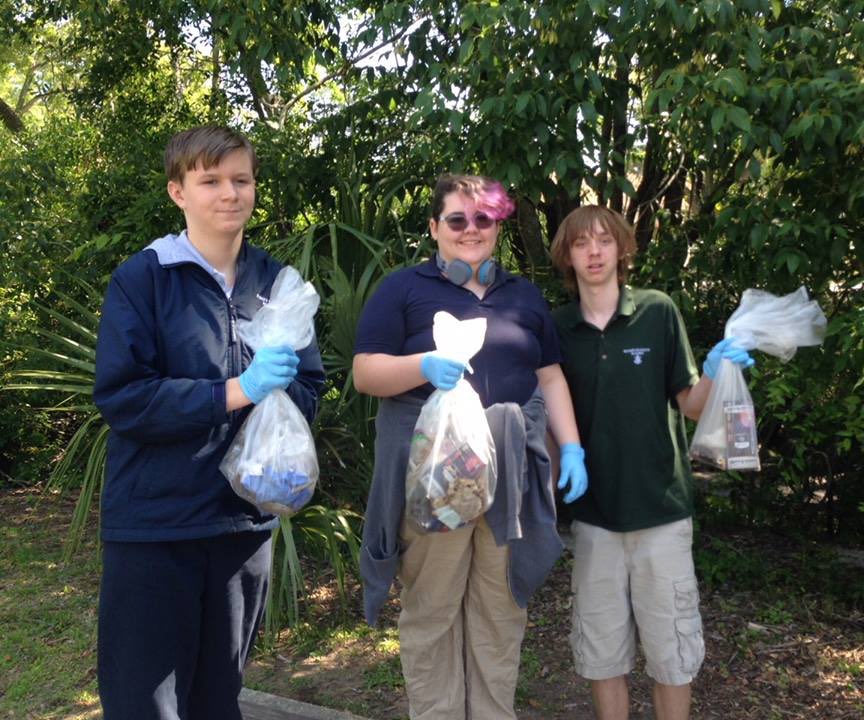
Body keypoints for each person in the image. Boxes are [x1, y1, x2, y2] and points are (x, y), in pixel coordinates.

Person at [92, 125, 325, 720]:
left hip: (242, 524)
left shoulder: (277, 285)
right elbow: (124, 397)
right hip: (155, 524)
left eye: (241, 180)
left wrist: (281, 402)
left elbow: (311, 387)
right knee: (146, 701)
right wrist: (236, 392)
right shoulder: (144, 279)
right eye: (211, 180)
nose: (230, 193)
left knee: (218, 697)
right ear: (178, 192)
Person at [353, 173, 588, 720]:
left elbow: (549, 376)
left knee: (501, 610)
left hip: (509, 473)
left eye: (483, 218)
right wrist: (422, 366)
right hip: (436, 475)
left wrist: (570, 447)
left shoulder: (523, 295)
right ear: (434, 227)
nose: (470, 229)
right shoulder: (403, 289)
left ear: (498, 225)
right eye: (457, 219)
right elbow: (366, 372)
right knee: (432, 610)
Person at [548, 205, 753, 720]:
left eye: (603, 241)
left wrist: (716, 372)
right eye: (581, 243)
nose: (594, 252)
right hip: (594, 516)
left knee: (672, 654)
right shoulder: (558, 328)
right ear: (567, 256)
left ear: (622, 249)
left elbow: (690, 404)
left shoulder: (658, 311)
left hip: (662, 510)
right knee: (602, 654)